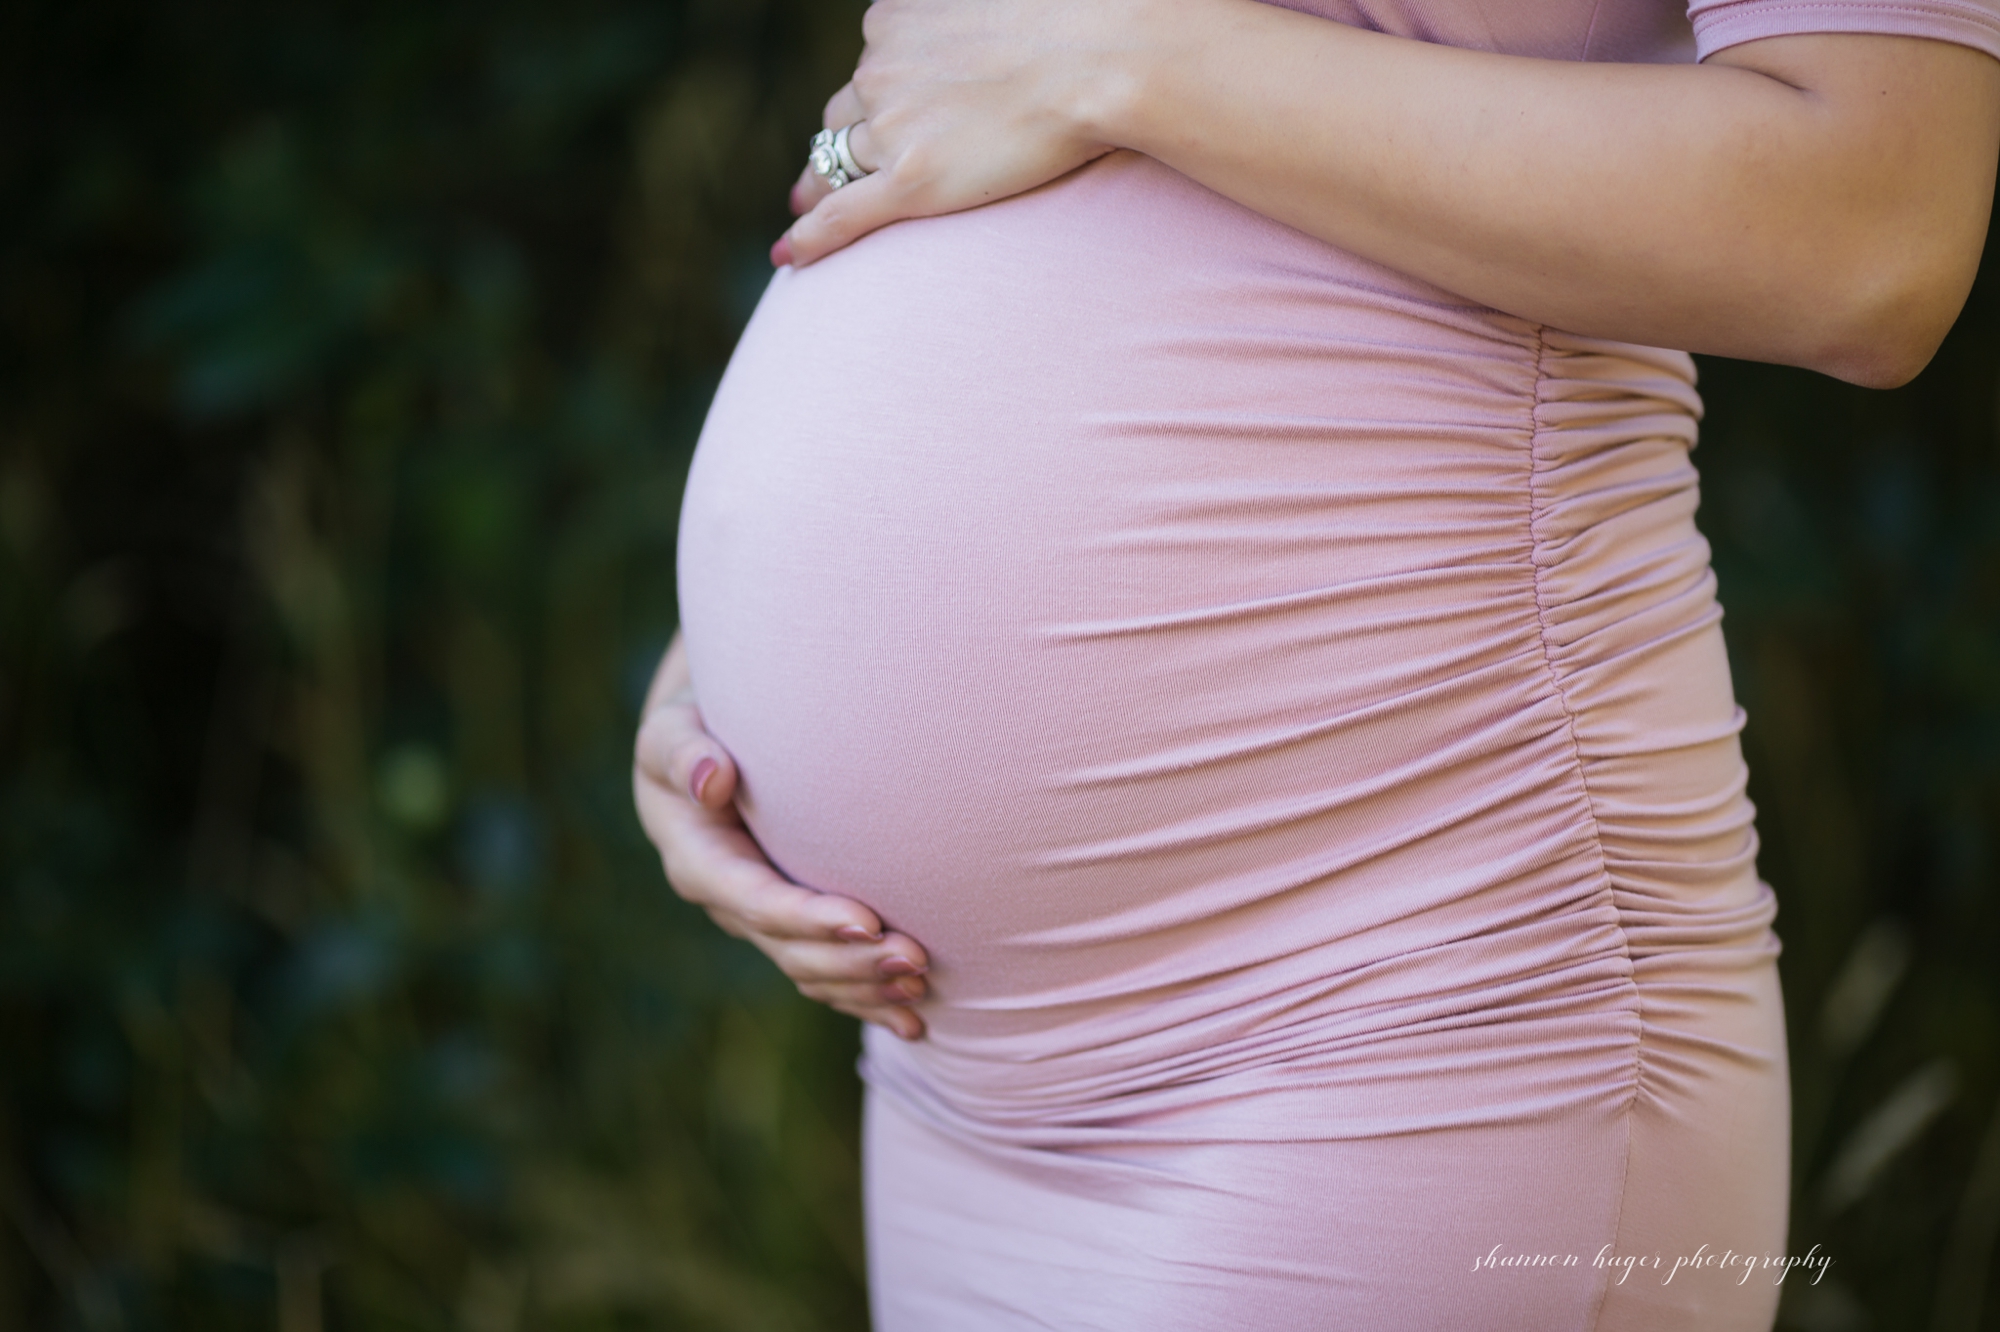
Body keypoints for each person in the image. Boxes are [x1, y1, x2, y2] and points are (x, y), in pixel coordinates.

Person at [632, 0, 2000, 1325]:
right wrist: (739, 672)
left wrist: (1122, 51)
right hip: (956, 1067)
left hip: (1400, 996)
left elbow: (1873, 230)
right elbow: (966, 92)